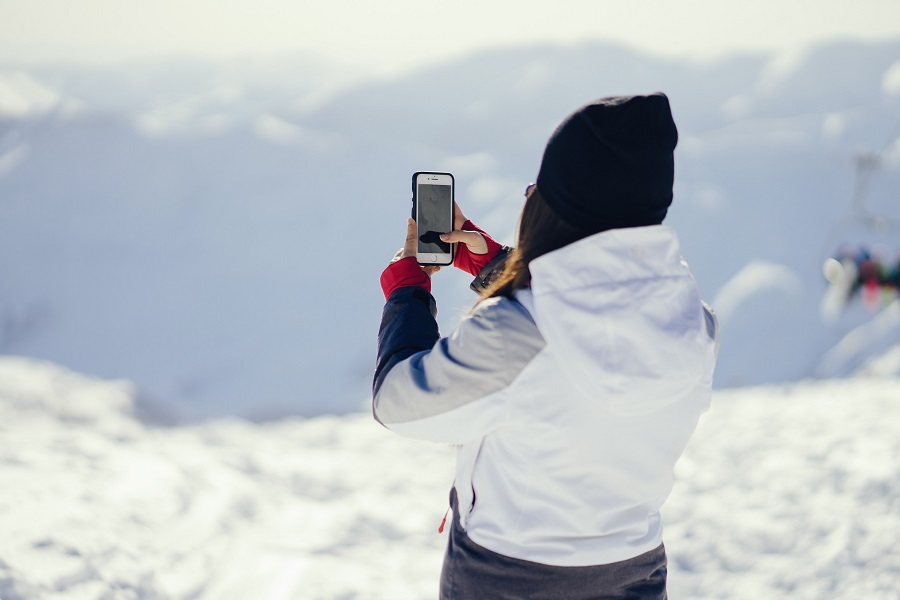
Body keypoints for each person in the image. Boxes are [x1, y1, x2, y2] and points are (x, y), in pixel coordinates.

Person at [373, 93, 718, 600]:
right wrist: (497, 265)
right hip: (634, 576)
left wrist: (408, 289)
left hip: (504, 581)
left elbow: (400, 402)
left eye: (539, 187)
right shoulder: (695, 323)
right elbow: (599, 311)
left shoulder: (517, 333)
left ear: (558, 202)